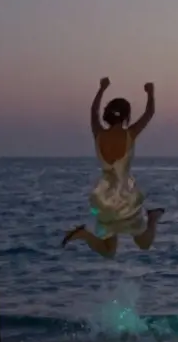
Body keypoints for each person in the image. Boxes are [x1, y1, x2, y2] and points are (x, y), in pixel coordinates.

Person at [63, 78, 164, 258]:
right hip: (124, 195)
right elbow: (150, 112)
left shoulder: (98, 134)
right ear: (126, 117)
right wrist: (150, 92)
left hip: (104, 195)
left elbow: (93, 111)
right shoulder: (129, 134)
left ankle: (83, 234)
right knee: (144, 243)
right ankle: (153, 217)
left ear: (108, 115)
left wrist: (101, 89)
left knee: (109, 251)